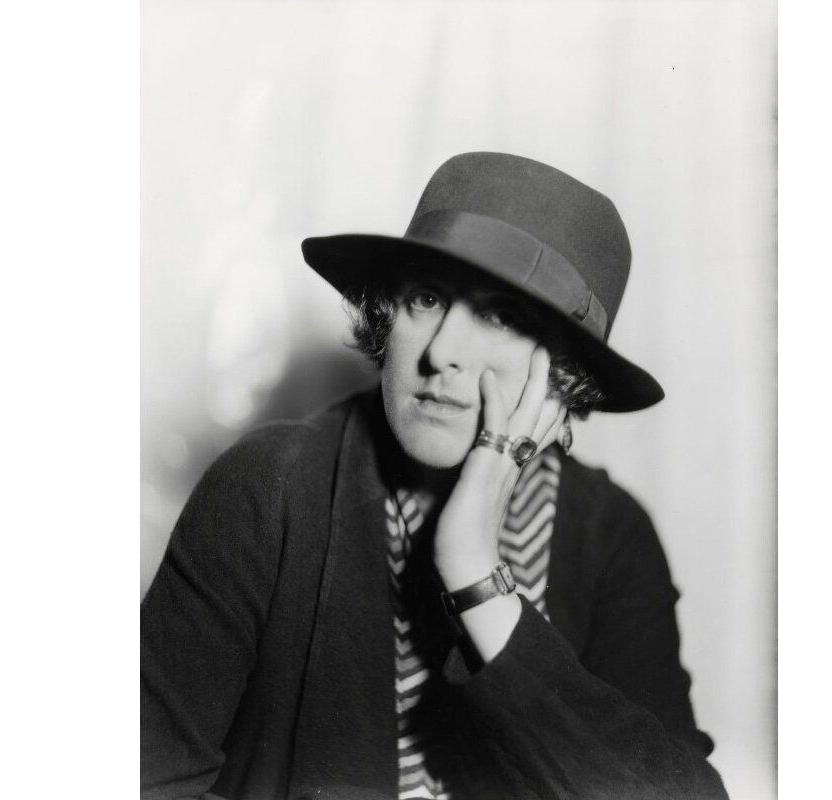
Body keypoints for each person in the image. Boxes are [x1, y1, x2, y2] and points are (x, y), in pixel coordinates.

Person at [141, 152, 729, 800]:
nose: (441, 352)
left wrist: (475, 572)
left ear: (564, 374)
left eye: (502, 317)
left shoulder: (611, 534)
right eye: (425, 298)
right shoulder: (266, 489)